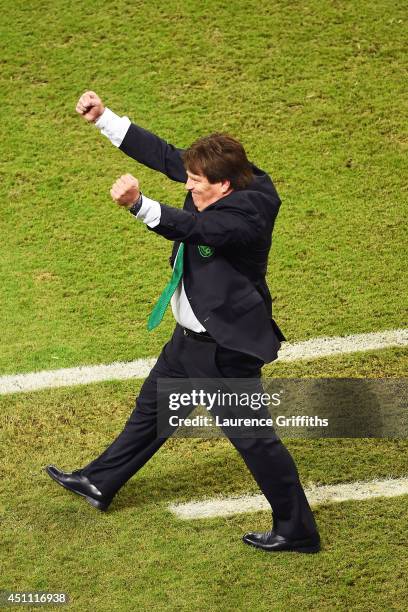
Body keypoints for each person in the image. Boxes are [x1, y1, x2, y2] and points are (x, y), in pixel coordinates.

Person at [46, 91, 320, 553]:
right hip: (193, 337)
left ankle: (297, 530)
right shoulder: (217, 178)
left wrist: (139, 205)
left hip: (222, 347)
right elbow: (166, 156)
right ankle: (99, 480)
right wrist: (104, 118)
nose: (188, 186)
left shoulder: (245, 216)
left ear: (225, 185)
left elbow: (195, 229)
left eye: (196, 183)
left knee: (255, 442)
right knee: (153, 407)